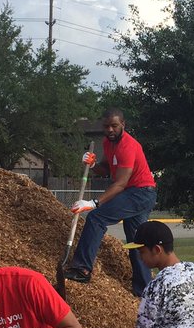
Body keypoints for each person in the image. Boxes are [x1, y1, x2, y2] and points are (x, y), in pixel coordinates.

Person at [65, 109, 158, 296]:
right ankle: (145, 290)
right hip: (135, 192)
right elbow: (106, 169)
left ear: (123, 124)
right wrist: (92, 165)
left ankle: (82, 269)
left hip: (140, 192)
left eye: (114, 126)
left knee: (96, 218)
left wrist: (94, 202)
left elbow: (121, 183)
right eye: (106, 126)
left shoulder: (128, 146)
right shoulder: (108, 143)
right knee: (137, 242)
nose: (110, 130)